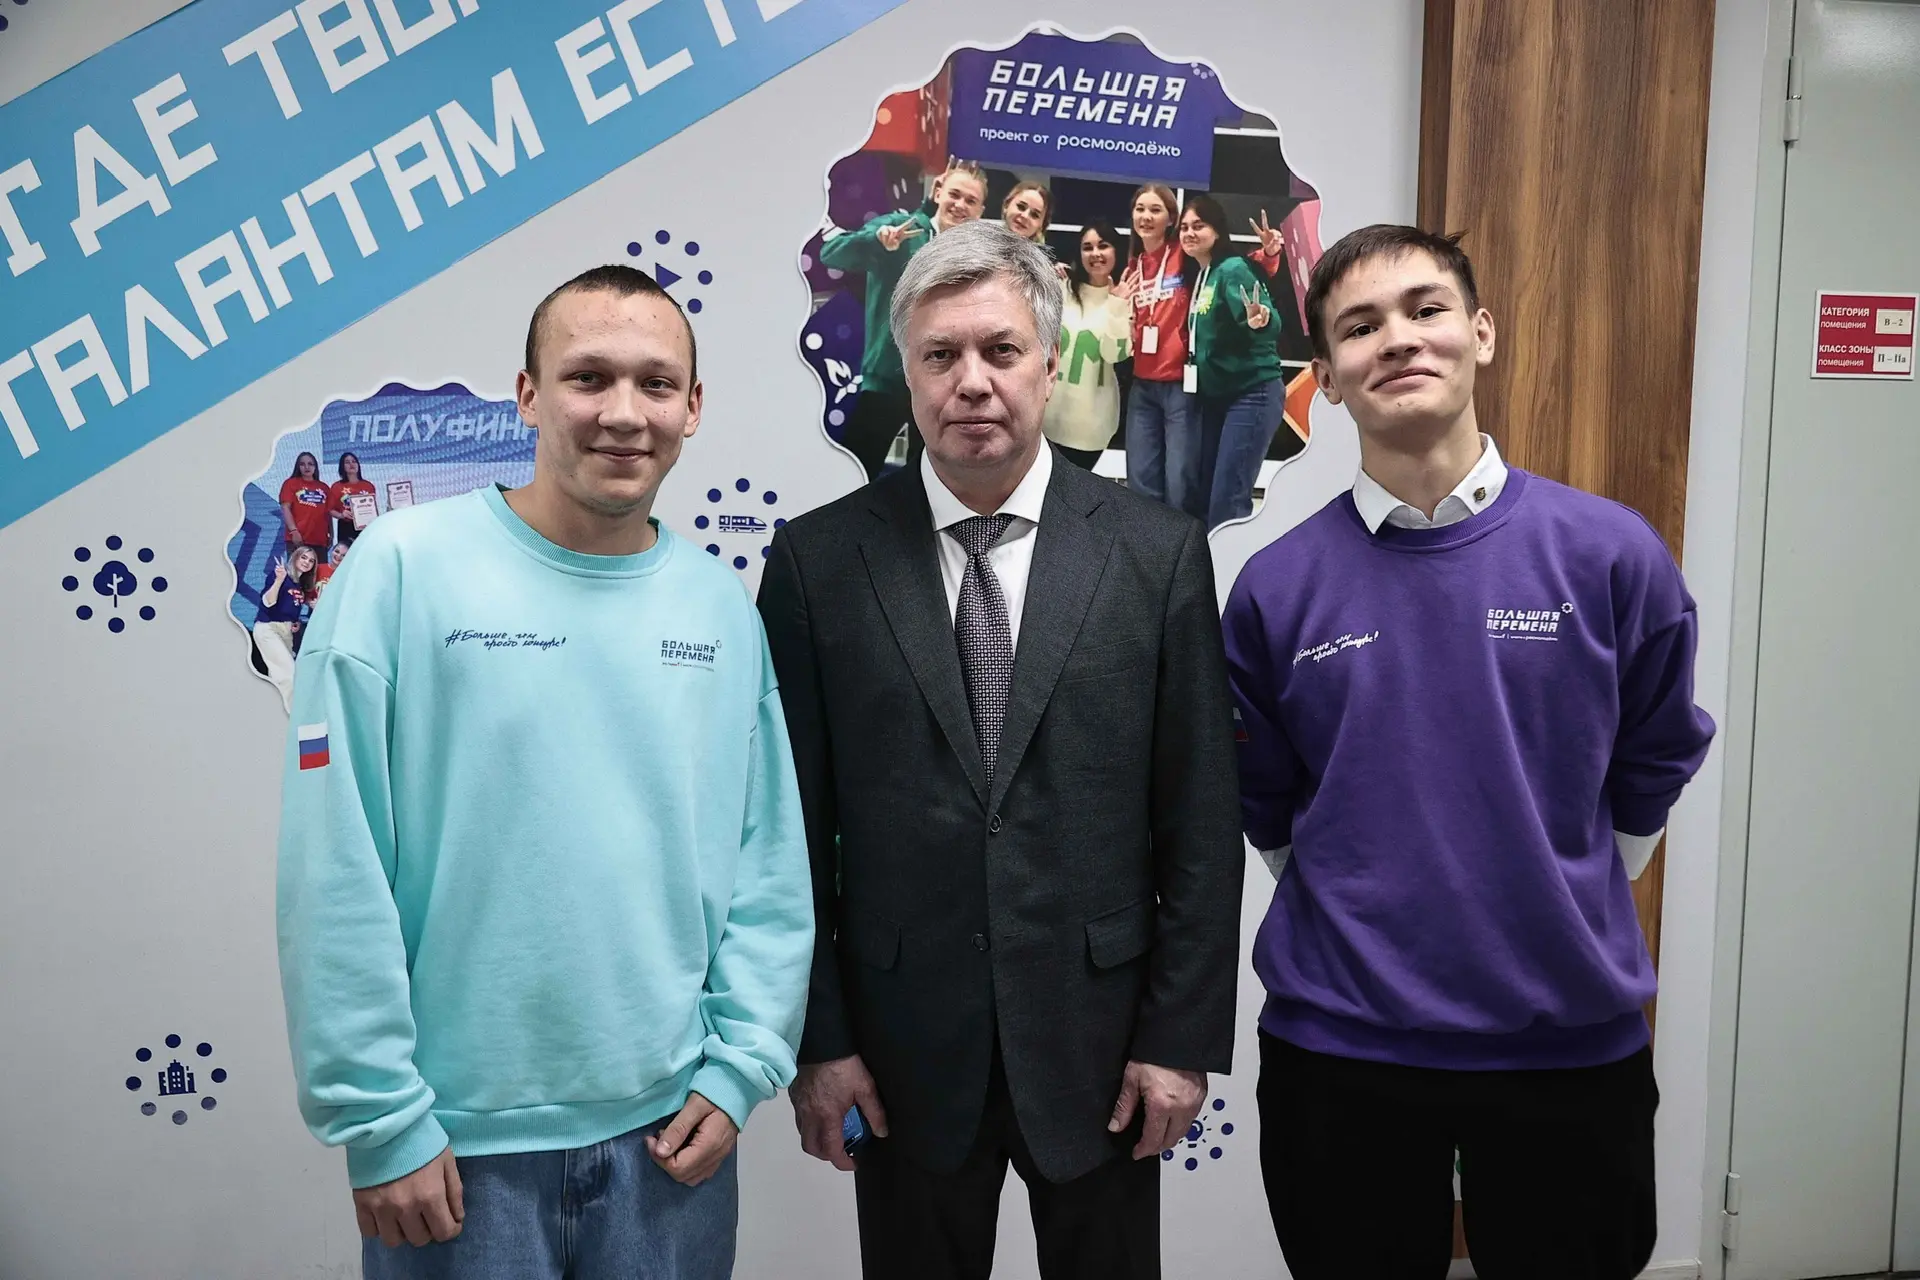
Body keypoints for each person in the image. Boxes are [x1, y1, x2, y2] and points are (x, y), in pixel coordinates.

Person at [276, 264, 813, 1280]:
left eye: (656, 383)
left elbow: (769, 863)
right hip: (452, 1151)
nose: (624, 412)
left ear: (694, 407)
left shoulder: (718, 608)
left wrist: (743, 1066)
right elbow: (333, 862)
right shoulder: (399, 570)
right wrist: (381, 1118)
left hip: (671, 1145)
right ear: (527, 394)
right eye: (588, 377)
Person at [1221, 225, 1716, 1280]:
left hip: (1567, 1044)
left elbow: (1656, 753)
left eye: (1425, 309)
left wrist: (1569, 881)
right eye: (1360, 327)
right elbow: (1265, 800)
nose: (1399, 339)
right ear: (1328, 379)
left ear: (1481, 333)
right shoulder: (1274, 588)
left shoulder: (1609, 553)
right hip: (1342, 1051)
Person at [758, 220, 1244, 1279]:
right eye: (941, 354)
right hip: (900, 1050)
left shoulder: (1157, 553)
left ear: (1051, 363)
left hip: (1103, 1043)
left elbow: (1202, 820)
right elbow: (784, 832)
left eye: (1001, 350)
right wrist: (820, 1040)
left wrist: (1179, 1037)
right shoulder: (816, 563)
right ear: (907, 372)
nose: (971, 381)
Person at [820, 161, 989, 479]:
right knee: (853, 476)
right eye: (955, 194)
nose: (960, 205)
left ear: (980, 211)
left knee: (925, 483)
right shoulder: (902, 229)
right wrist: (876, 241)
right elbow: (832, 254)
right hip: (886, 380)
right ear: (938, 193)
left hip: (939, 392)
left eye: (971, 200)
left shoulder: (975, 259)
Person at [1178, 196, 1285, 527]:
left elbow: (1268, 322)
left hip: (1252, 391)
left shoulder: (1233, 269)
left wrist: (1261, 319)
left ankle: (1232, 563)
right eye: (1184, 227)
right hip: (1217, 398)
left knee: (1229, 500)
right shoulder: (1205, 274)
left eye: (1198, 226)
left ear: (1217, 230)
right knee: (1206, 495)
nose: (1189, 233)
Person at [1114, 185, 1197, 513]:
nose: (1145, 216)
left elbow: (1227, 266)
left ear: (1171, 219)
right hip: (1143, 385)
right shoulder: (1133, 267)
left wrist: (1269, 255)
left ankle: (1181, 543)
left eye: (1155, 210)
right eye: (1140, 209)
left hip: (1180, 385)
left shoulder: (1184, 254)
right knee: (1140, 481)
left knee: (1179, 481)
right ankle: (1146, 542)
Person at [1043, 221, 1131, 470]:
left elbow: (1115, 354)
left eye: (1103, 246)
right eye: (1087, 247)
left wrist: (1117, 305)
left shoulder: (1124, 297)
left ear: (1116, 250)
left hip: (1090, 428)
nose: (1095, 253)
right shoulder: (1062, 289)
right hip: (1046, 421)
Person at [254, 543, 320, 712]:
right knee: (289, 675)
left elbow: (289, 608)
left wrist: (294, 622)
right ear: (296, 557)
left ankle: (273, 713)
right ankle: (291, 717)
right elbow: (268, 602)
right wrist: (278, 580)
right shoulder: (280, 576)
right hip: (269, 628)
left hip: (285, 632)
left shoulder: (299, 585)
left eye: (311, 560)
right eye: (303, 557)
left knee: (278, 678)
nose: (306, 562)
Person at [279, 451, 332, 550]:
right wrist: (294, 531)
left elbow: (328, 513)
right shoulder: (290, 483)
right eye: (302, 464)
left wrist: (331, 534)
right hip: (297, 539)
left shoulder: (324, 487)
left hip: (320, 540)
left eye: (310, 464)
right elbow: (285, 508)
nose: (307, 467)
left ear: (315, 467)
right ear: (298, 467)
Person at [328, 451, 378, 547]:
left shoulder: (368, 486)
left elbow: (372, 508)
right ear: (342, 467)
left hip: (365, 526)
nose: (351, 464)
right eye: (347, 462)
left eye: (354, 461)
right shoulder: (336, 486)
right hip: (346, 526)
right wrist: (341, 515)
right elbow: (330, 510)